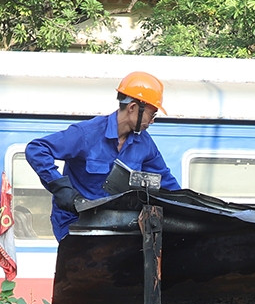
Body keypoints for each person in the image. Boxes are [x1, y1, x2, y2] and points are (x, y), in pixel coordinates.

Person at [24, 70, 179, 241]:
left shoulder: (144, 144)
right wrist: (61, 188)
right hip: (76, 224)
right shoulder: (86, 134)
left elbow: (166, 182)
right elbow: (36, 149)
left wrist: (191, 206)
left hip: (116, 224)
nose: (152, 121)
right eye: (152, 114)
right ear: (133, 108)